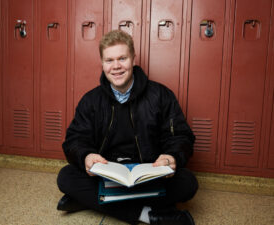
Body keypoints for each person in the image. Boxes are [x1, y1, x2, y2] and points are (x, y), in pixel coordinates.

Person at [57, 30, 198, 225]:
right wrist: (86, 156)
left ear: (133, 59)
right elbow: (75, 140)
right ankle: (147, 215)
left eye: (122, 58)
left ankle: (94, 201)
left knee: (188, 183)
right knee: (66, 177)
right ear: (102, 63)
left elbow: (181, 136)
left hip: (148, 175)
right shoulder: (90, 101)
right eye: (109, 60)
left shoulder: (161, 95)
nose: (116, 66)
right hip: (107, 175)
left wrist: (171, 157)